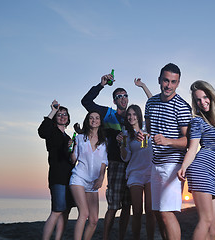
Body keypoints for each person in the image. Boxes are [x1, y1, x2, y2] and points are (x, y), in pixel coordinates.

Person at [81, 73, 152, 240]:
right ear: (114, 100)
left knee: (128, 207)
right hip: (116, 163)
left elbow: (151, 110)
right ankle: (106, 237)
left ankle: (120, 237)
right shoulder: (108, 114)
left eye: (125, 95)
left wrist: (142, 86)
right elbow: (86, 102)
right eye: (119, 96)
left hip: (133, 166)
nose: (123, 98)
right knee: (113, 205)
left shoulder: (133, 119)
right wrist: (101, 85)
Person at [177, 80, 215, 240]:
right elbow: (193, 149)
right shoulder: (197, 121)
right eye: (198, 100)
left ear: (212, 95)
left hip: (214, 173)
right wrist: (184, 167)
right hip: (201, 169)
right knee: (206, 220)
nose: (202, 102)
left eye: (205, 97)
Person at [143, 63, 192, 240]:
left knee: (166, 213)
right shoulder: (150, 103)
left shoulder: (182, 107)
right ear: (159, 80)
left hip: (173, 165)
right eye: (165, 80)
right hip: (155, 164)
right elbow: (149, 130)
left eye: (173, 82)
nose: (168, 85)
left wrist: (167, 141)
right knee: (157, 213)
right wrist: (144, 135)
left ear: (178, 83)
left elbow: (188, 141)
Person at [38, 100, 74, 240]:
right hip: (57, 177)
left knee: (65, 212)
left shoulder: (69, 138)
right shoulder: (51, 132)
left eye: (64, 114)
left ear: (68, 118)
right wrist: (53, 110)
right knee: (56, 211)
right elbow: (41, 132)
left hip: (69, 178)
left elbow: (72, 160)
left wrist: (73, 148)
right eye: (59, 114)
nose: (62, 116)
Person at [118, 104, 156, 240]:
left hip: (151, 172)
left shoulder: (148, 128)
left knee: (151, 211)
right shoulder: (125, 134)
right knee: (137, 211)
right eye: (129, 114)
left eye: (134, 114)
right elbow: (126, 157)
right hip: (135, 174)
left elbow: (147, 148)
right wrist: (122, 143)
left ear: (139, 116)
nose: (131, 117)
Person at [69, 111, 108, 240]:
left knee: (94, 219)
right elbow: (73, 160)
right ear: (87, 120)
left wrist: (101, 177)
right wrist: (73, 146)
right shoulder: (80, 138)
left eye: (97, 118)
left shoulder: (104, 141)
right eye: (91, 118)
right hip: (79, 177)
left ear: (100, 121)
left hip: (93, 181)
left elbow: (104, 162)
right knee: (84, 213)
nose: (94, 120)